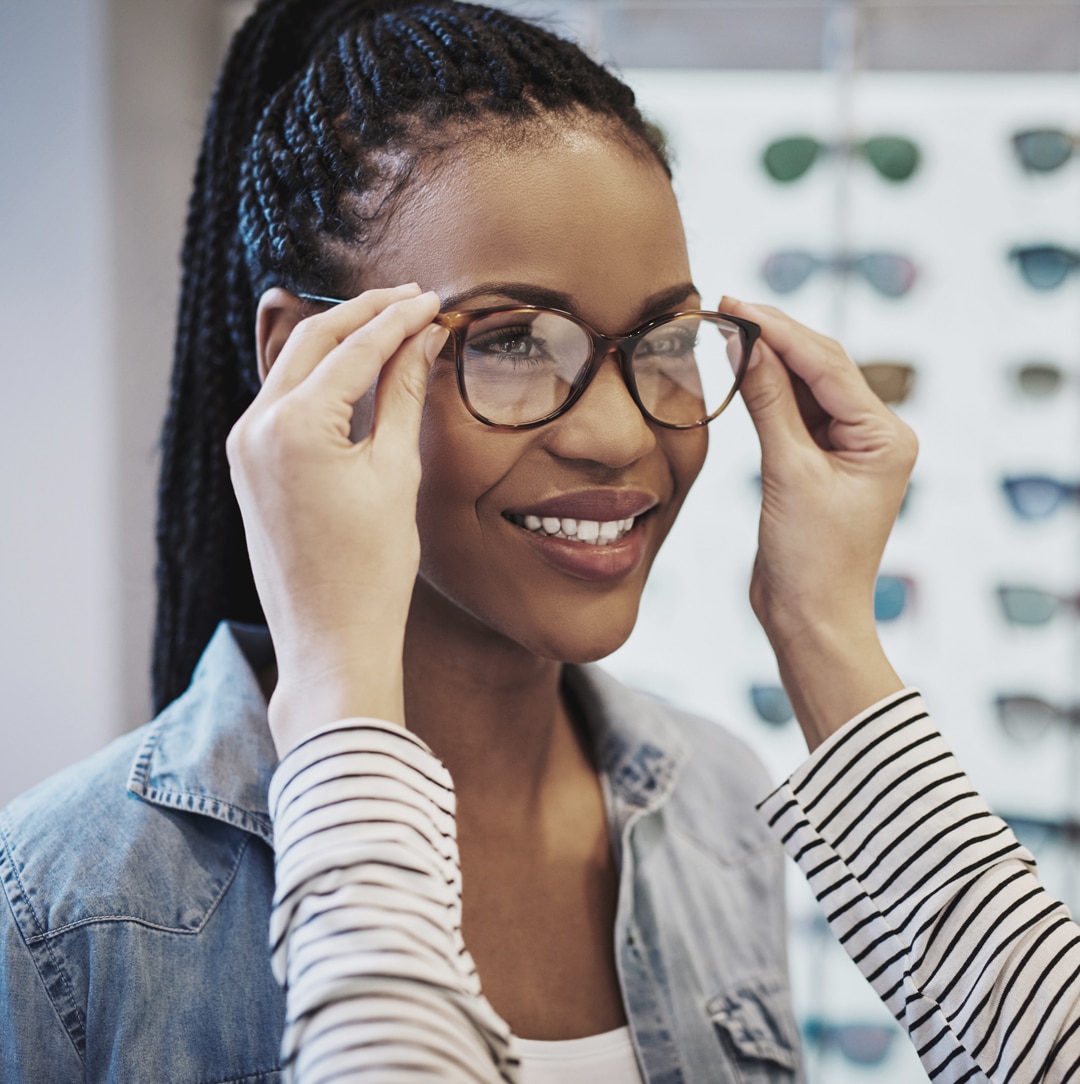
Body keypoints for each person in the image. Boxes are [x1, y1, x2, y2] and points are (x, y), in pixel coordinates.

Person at [0, 2, 801, 1082]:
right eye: (511, 340)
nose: (620, 432)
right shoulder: (67, 905)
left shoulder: (721, 799)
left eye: (662, 338)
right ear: (302, 361)